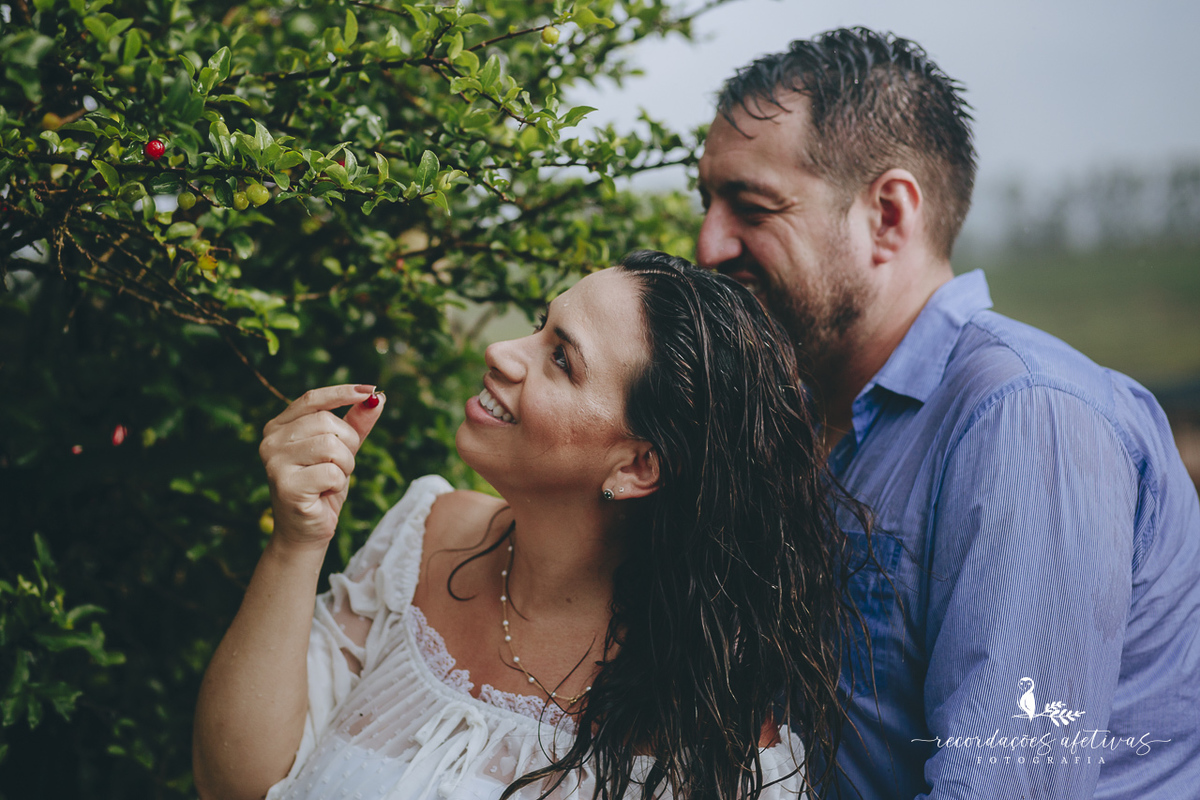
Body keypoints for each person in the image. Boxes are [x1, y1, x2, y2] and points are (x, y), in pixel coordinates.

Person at [696, 26, 1200, 800]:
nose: (709, 244)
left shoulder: (1027, 420)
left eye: (752, 208)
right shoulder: (796, 413)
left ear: (888, 216)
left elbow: (1007, 785)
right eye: (707, 202)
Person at [192, 251, 865, 800]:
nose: (502, 352)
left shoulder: (714, 749)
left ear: (638, 466)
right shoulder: (422, 535)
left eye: (560, 359)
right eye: (540, 327)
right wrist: (297, 542)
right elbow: (238, 782)